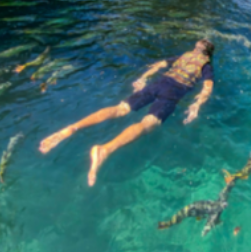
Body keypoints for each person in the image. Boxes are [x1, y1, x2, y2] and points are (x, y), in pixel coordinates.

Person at [39, 39, 216, 186]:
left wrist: (143, 78)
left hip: (158, 83)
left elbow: (159, 64)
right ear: (208, 55)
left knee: (120, 108)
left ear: (195, 47)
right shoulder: (206, 66)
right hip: (175, 91)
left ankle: (73, 127)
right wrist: (196, 105)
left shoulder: (182, 56)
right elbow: (207, 86)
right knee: (148, 124)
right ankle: (105, 150)